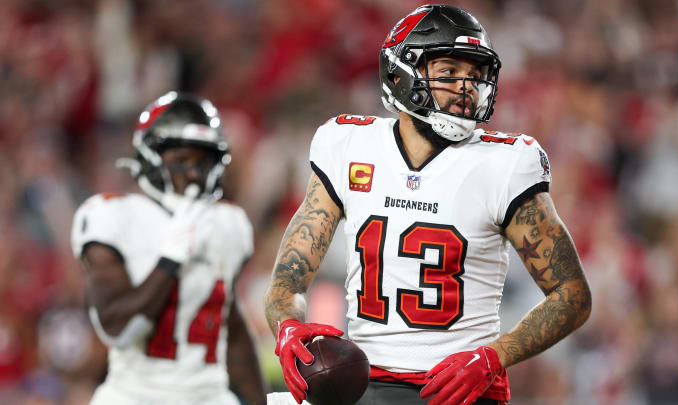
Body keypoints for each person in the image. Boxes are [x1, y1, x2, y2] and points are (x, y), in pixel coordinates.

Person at [264, 4, 591, 405]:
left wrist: (493, 357)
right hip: (363, 383)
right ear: (402, 74)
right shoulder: (348, 145)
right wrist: (286, 326)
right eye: (449, 72)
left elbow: (572, 294)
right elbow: (289, 277)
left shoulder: (504, 164)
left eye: (475, 75)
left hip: (459, 391)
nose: (466, 88)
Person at [71, 92, 267, 405]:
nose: (192, 174)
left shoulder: (228, 225)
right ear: (151, 157)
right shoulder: (112, 217)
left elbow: (231, 331)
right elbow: (119, 330)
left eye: (202, 162)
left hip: (209, 397)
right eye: (181, 161)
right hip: (134, 397)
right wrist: (170, 259)